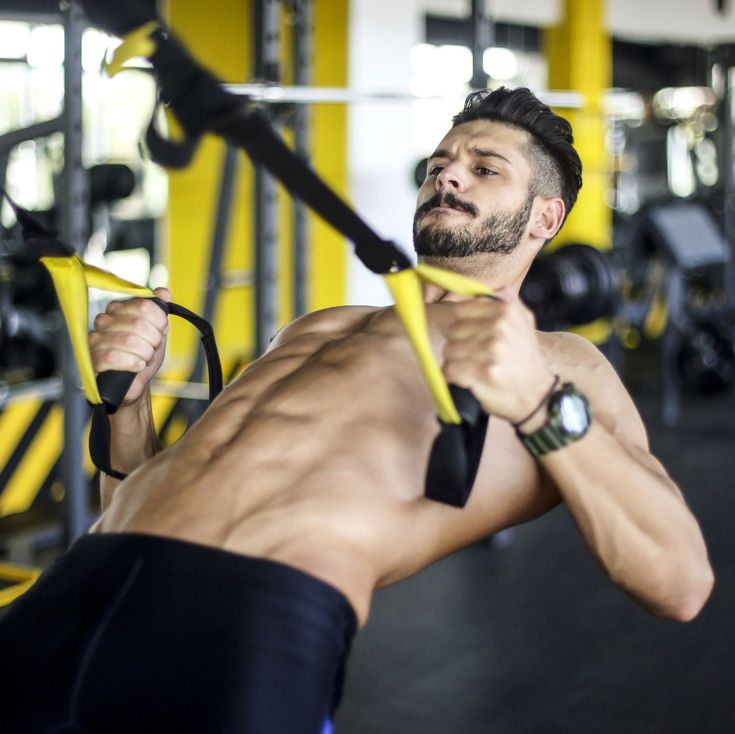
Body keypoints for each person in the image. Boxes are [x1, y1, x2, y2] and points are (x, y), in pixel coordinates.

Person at [0, 87, 714, 734]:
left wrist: (537, 404)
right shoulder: (315, 327)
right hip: (81, 582)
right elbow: (133, 495)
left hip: (246, 619)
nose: (447, 174)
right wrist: (127, 400)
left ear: (544, 216)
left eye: (484, 167)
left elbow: (679, 582)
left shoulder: (560, 364)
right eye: (438, 163)